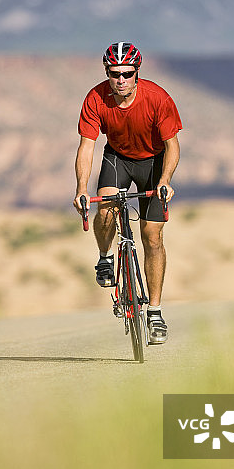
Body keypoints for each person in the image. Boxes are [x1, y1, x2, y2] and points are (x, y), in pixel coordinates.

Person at [73, 41, 182, 344]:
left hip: (153, 162)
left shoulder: (157, 98)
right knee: (106, 207)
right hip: (118, 158)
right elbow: (87, 146)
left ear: (137, 72)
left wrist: (165, 180)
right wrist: (82, 188)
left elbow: (173, 145)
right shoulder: (96, 98)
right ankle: (105, 256)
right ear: (107, 72)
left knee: (153, 237)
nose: (120, 79)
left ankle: (155, 312)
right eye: (114, 73)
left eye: (127, 73)